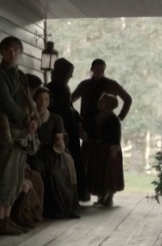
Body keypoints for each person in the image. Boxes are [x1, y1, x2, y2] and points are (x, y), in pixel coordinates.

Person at [0, 36, 38, 235]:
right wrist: (25, 118)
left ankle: (8, 218)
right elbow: (6, 100)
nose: (12, 53)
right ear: (2, 52)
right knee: (7, 176)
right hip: (6, 130)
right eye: (8, 49)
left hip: (22, 131)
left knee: (16, 177)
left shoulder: (21, 76)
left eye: (16, 50)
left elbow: (28, 100)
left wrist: (33, 119)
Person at [72, 59, 132, 201]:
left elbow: (127, 99)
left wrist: (120, 117)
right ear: (92, 69)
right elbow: (70, 100)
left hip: (107, 131)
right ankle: (86, 190)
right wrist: (77, 118)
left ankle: (106, 193)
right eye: (97, 69)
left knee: (106, 167)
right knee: (87, 162)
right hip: (89, 127)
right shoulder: (85, 85)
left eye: (102, 69)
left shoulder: (111, 84)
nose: (99, 71)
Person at [29, 87, 80, 219]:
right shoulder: (29, 117)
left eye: (46, 99)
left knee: (56, 171)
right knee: (37, 168)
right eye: (40, 99)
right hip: (34, 152)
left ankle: (62, 208)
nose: (42, 102)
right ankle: (39, 208)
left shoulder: (55, 118)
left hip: (52, 151)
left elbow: (60, 135)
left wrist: (59, 139)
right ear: (34, 100)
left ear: (49, 102)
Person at [47, 58, 85, 206]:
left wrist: (79, 119)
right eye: (70, 73)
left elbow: (70, 107)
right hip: (63, 129)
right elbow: (59, 109)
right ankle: (68, 197)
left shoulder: (64, 87)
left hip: (71, 127)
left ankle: (76, 195)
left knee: (75, 160)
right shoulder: (53, 88)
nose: (71, 75)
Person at [86, 93, 125, 206]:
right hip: (98, 150)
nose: (99, 103)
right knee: (99, 173)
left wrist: (114, 149)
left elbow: (116, 137)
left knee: (109, 173)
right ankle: (101, 196)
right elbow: (92, 132)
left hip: (108, 149)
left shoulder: (113, 119)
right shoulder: (98, 118)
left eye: (102, 102)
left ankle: (110, 197)